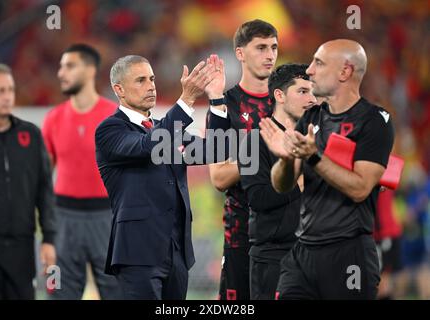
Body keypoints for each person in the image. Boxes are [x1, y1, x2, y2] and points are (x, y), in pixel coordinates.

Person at [260, 39, 395, 299]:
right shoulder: (312, 117)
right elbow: (281, 184)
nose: (309, 70)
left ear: (345, 72)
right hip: (303, 252)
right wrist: (286, 159)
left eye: (318, 63)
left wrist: (313, 157)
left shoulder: (375, 121)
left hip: (349, 253)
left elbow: (360, 188)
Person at [95, 54, 228, 300]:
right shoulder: (110, 130)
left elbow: (216, 149)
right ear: (119, 90)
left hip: (177, 252)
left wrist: (216, 98)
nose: (151, 85)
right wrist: (187, 99)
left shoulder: (165, 127)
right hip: (138, 254)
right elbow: (149, 146)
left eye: (152, 79)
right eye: (141, 80)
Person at [42, 44, 122, 299]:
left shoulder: (115, 116)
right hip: (63, 220)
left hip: (109, 218)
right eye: (61, 66)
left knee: (118, 292)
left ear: (90, 70)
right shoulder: (53, 119)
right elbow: (42, 179)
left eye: (69, 66)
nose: (61, 73)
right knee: (61, 293)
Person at [207, 19, 278, 300]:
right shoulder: (223, 107)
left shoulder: (288, 102)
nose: (270, 55)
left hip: (287, 235)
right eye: (260, 47)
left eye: (273, 47)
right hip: (241, 236)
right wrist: (266, 149)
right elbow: (219, 177)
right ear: (240, 53)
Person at [238, 63, 316, 299]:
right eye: (303, 91)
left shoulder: (318, 139)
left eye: (313, 92)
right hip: (274, 258)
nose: (312, 99)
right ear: (279, 95)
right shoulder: (252, 142)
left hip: (317, 256)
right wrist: (303, 183)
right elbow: (258, 199)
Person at [0, 62, 56, 299]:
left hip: (22, 247)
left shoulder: (31, 134)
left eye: (11, 90)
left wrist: (49, 239)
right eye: (0, 91)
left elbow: (44, 189)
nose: (7, 97)